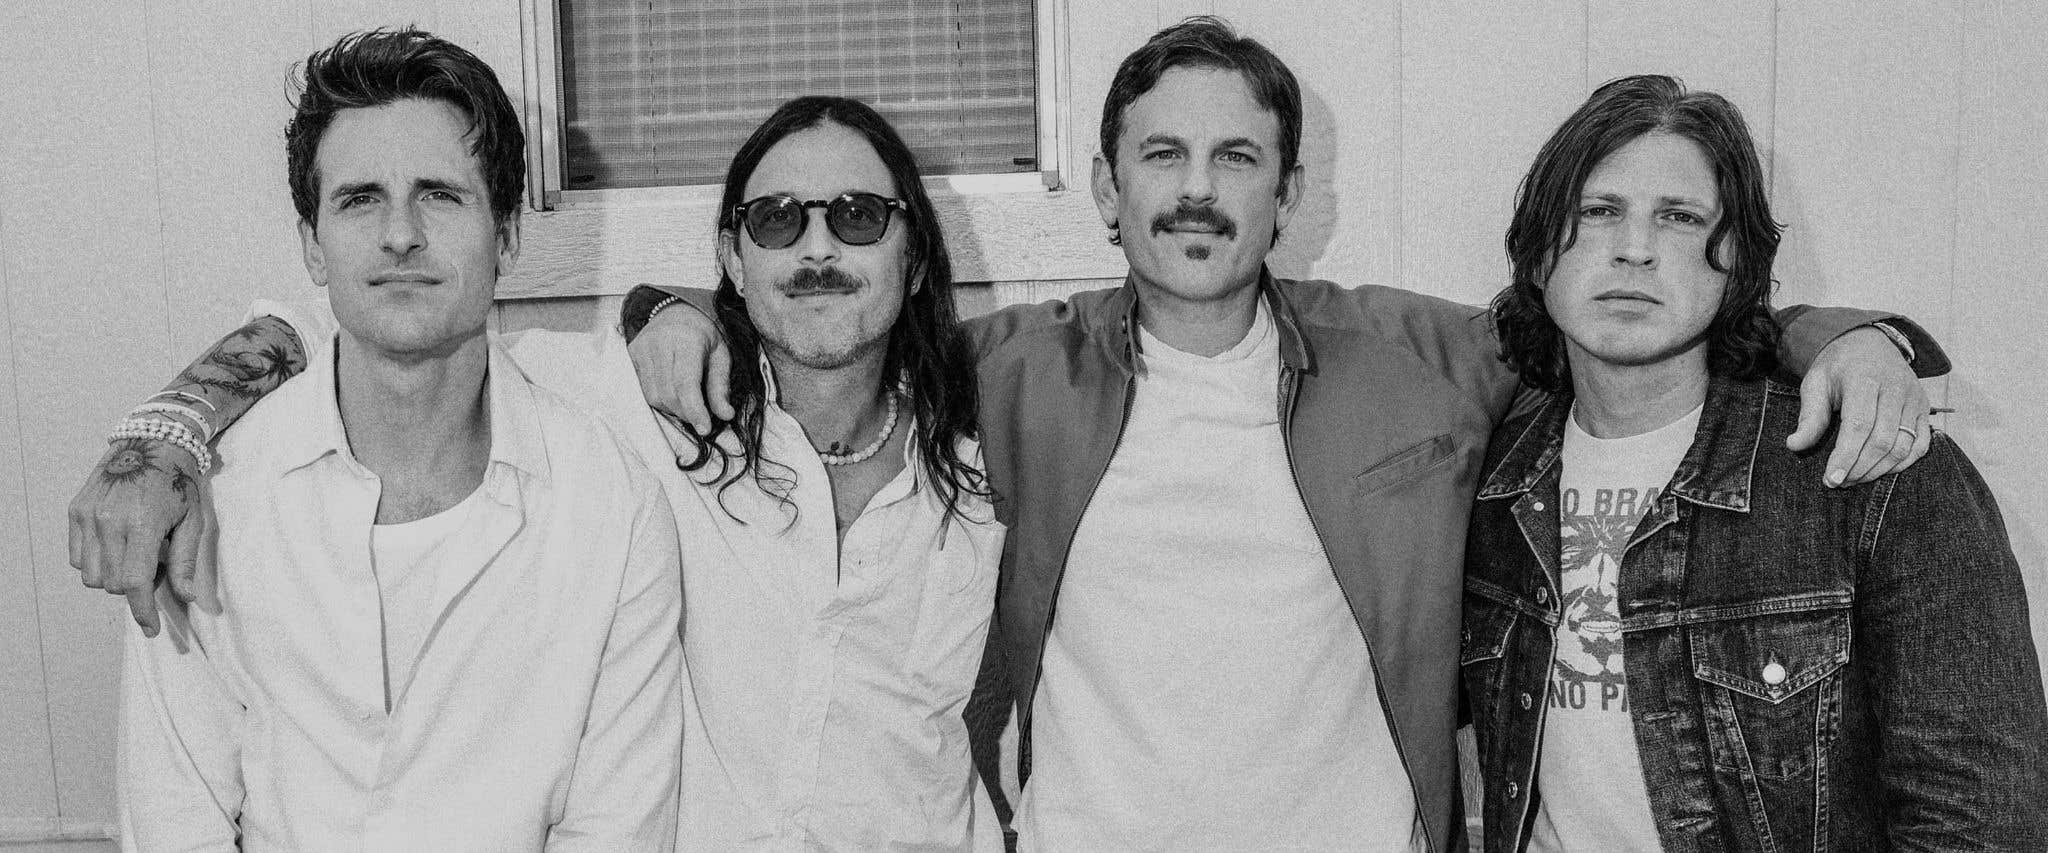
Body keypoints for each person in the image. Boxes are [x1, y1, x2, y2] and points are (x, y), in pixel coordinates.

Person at [615, 17, 1947, 852]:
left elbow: (1614, 312)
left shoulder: (1414, 355)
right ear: (1106, 188)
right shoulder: (1011, 368)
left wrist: (1838, 333)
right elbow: (838, 328)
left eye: (1236, 159)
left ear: (1287, 194)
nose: (1196, 191)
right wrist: (669, 313)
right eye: (1161, 156)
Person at [91, 88, 1006, 847]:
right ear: (733, 256)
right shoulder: (641, 404)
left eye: (858, 216)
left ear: (914, 256)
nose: (817, 249)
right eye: (776, 220)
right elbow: (367, 332)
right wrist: (166, 434)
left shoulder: (994, 450)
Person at [113, 29, 684, 850]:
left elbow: (615, 830)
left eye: (440, 195)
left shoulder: (613, 506)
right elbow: (175, 823)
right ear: (311, 243)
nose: (400, 233)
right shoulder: (209, 497)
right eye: (359, 200)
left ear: (507, 236)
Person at [1460, 74, 2047, 853]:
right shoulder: (1487, 476)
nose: (1634, 249)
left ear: (1736, 263)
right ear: (1539, 255)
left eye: (1679, 217)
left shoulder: (1871, 466)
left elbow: (1982, 820)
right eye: (1599, 211)